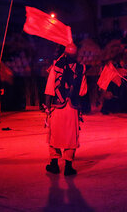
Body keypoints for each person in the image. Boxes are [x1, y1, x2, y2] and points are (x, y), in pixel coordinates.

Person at [44, 43, 87, 176]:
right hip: (72, 107)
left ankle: (54, 164)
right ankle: (68, 166)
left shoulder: (55, 67)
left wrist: (46, 106)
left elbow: (50, 87)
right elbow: (83, 91)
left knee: (54, 135)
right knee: (70, 136)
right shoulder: (81, 68)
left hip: (58, 106)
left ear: (65, 54)